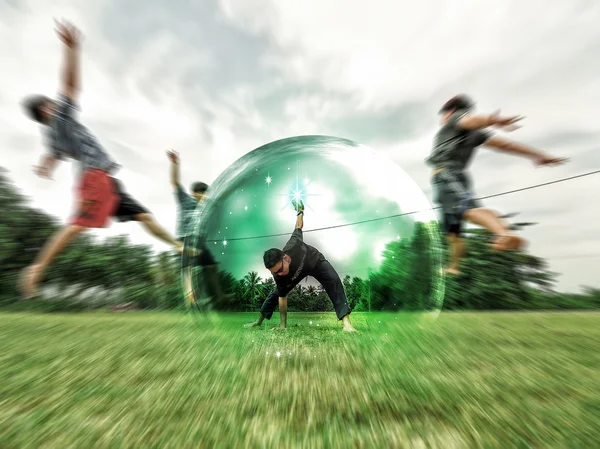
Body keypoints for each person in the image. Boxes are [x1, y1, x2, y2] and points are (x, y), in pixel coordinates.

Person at [19, 20, 182, 298]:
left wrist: (45, 165)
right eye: (51, 103)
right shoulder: (60, 117)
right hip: (95, 177)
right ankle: (38, 267)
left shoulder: (52, 134)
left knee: (143, 215)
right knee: (77, 226)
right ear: (45, 109)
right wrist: (72, 49)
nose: (57, 103)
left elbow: (54, 156)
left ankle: (178, 247)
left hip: (105, 180)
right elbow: (70, 85)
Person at [426, 94, 568, 275]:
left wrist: (491, 120)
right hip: (448, 180)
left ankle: (503, 234)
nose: (442, 119)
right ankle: (453, 267)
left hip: (447, 175)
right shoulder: (474, 134)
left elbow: (470, 120)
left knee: (467, 210)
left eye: (443, 115)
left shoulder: (455, 119)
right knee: (453, 233)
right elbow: (505, 145)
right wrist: (537, 155)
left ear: (450, 111)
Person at [245, 200, 358, 332]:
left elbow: (298, 225)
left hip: (315, 261)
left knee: (333, 280)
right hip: (297, 273)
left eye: (280, 270)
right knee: (275, 293)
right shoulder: (278, 274)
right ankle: (258, 322)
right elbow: (282, 297)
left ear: (285, 258)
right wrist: (282, 326)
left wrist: (300, 212)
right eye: (275, 272)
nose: (279, 274)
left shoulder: (294, 244)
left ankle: (347, 325)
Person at [166, 150, 225, 307]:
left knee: (211, 265)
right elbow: (175, 183)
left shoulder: (206, 208)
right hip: (185, 238)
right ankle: (191, 298)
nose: (204, 198)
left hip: (199, 241)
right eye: (202, 195)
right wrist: (175, 164)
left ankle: (218, 296)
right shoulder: (185, 200)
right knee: (188, 270)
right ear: (195, 193)